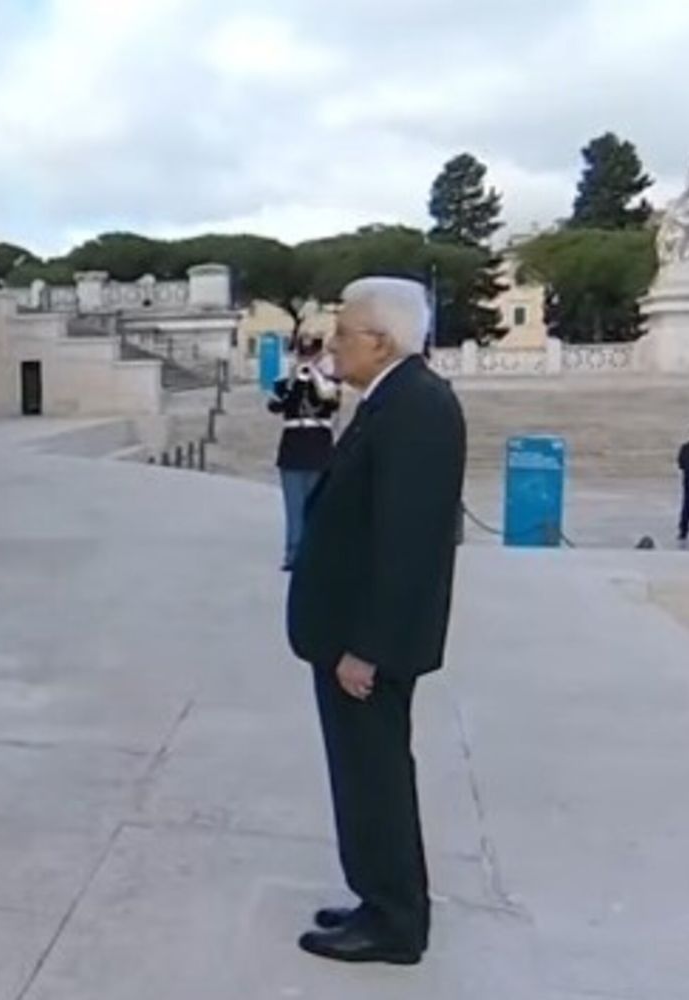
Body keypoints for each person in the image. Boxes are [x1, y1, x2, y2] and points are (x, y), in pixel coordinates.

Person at [286, 276, 467, 966]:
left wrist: (369, 647)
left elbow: (409, 544)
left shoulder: (417, 407)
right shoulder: (389, 399)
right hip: (348, 633)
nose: (333, 343)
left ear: (381, 340)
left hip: (366, 644)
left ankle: (394, 921)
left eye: (344, 332)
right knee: (364, 773)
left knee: (376, 776)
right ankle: (378, 895)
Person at [268, 333, 341, 570]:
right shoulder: (286, 380)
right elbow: (275, 405)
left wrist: (316, 376)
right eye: (303, 354)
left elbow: (331, 402)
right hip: (293, 447)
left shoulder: (329, 380)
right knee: (294, 506)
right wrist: (294, 380)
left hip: (319, 447)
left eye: (311, 355)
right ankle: (294, 553)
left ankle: (316, 553)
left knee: (317, 506)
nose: (307, 359)